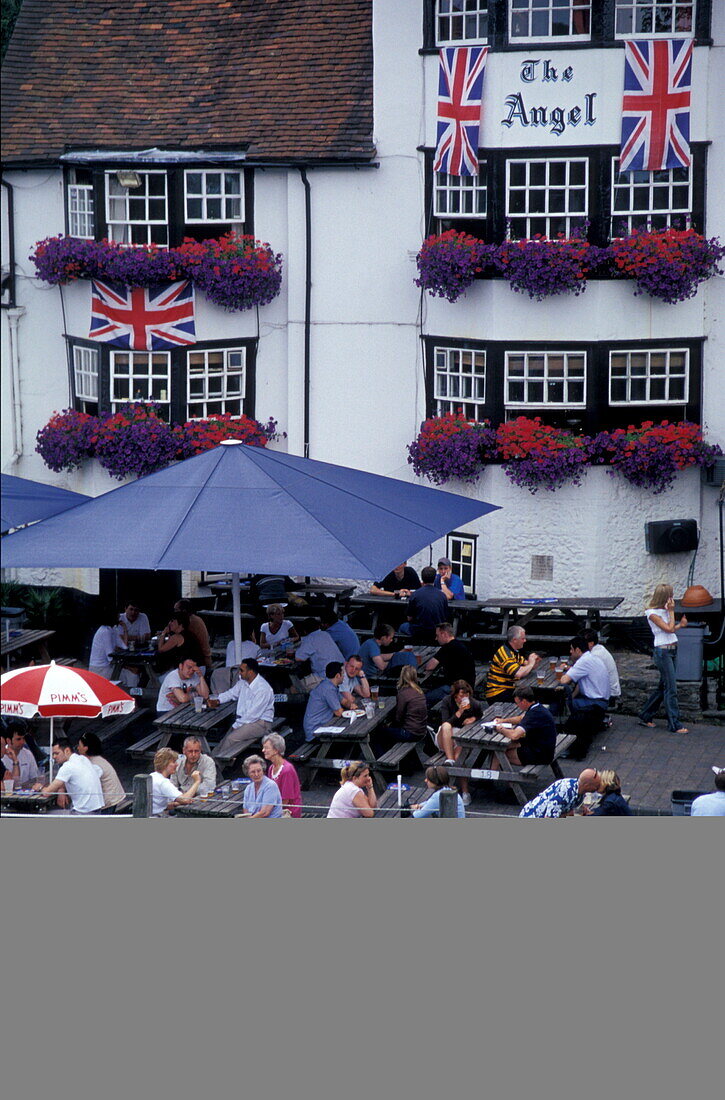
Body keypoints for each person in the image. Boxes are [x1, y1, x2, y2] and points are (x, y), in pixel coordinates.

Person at [638, 583, 689, 734]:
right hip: (663, 652)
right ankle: (674, 724)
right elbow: (667, 628)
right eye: (670, 595)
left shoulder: (665, 610)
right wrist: (672, 612)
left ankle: (645, 714)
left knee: (664, 687)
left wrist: (681, 625)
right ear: (664, 597)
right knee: (671, 688)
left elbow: (672, 629)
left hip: (672, 650)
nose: (672, 598)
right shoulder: (652, 613)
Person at [209, 657, 275, 762]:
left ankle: (216, 767)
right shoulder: (243, 682)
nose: (239, 673)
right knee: (224, 740)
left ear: (251, 672)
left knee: (231, 739)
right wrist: (218, 700)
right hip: (245, 721)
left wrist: (236, 726)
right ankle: (209, 762)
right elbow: (231, 693)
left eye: (242, 670)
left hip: (260, 724)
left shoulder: (263, 689)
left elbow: (253, 715)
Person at [434, 679, 483, 805]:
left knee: (460, 760)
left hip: (461, 738)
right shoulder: (447, 702)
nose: (464, 698)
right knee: (446, 726)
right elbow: (446, 722)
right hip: (445, 736)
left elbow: (480, 714)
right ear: (455, 694)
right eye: (461, 695)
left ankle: (465, 793)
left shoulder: (474, 704)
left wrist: (473, 718)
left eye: (466, 695)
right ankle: (449, 759)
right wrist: (460, 712)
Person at [33, 739, 104, 814]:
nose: (54, 757)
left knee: (43, 813)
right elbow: (99, 772)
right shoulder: (83, 759)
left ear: (67, 750)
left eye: (56, 753)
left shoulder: (68, 766)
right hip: (97, 810)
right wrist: (61, 789)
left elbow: (47, 792)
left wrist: (40, 787)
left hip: (82, 812)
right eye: (53, 754)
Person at [493, 686, 556, 767]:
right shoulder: (537, 707)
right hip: (542, 748)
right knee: (503, 746)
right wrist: (503, 720)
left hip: (540, 755)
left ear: (524, 701)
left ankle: (490, 778)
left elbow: (514, 735)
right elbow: (520, 718)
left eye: (517, 703)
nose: (517, 706)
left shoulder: (534, 714)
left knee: (498, 753)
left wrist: (500, 729)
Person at [424, 622, 476, 706]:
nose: (436, 639)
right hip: (468, 686)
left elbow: (430, 666)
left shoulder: (447, 648)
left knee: (422, 700)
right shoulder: (459, 645)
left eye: (437, 635)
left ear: (444, 634)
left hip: (456, 689)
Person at [560, 636, 611, 722]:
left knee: (561, 704)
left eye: (572, 649)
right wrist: (572, 697)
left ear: (578, 650)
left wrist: (562, 672)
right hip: (602, 700)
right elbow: (581, 684)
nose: (570, 652)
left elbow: (564, 680)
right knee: (568, 700)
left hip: (595, 703)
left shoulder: (583, 661)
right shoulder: (591, 657)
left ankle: (560, 727)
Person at [485, 626, 541, 703]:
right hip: (498, 693)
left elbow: (526, 666)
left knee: (535, 695)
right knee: (532, 697)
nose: (525, 641)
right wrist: (531, 663)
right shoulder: (505, 653)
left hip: (509, 689)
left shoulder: (514, 651)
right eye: (523, 638)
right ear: (514, 640)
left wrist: (535, 661)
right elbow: (518, 673)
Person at [519, 768, 601, 818]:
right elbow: (550, 818)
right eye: (596, 786)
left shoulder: (577, 787)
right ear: (587, 786)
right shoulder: (563, 795)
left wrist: (581, 809)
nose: (598, 789)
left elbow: (573, 806)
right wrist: (571, 814)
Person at [76, 730, 126, 809]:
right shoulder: (96, 759)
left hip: (108, 802)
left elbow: (86, 784)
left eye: (79, 745)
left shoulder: (95, 765)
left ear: (86, 748)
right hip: (114, 797)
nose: (77, 748)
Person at [294, 617, 344, 690]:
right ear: (318, 626)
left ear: (305, 631)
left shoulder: (309, 638)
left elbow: (298, 658)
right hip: (342, 672)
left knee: (295, 687)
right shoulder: (325, 634)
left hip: (325, 676)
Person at [303, 662, 348, 741]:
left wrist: (351, 705)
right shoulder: (328, 689)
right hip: (315, 732)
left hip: (322, 726)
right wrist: (352, 712)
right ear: (337, 675)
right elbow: (339, 713)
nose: (344, 676)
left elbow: (344, 701)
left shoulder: (330, 685)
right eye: (343, 674)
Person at [404, 565, 449, 644]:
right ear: (435, 578)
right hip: (436, 631)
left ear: (422, 578)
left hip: (418, 631)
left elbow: (409, 618)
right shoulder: (442, 595)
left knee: (402, 627)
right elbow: (445, 616)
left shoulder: (415, 595)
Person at [150, 747, 201, 816]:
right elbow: (185, 799)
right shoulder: (163, 782)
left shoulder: (152, 776)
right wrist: (197, 781)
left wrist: (177, 803)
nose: (177, 764)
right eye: (174, 762)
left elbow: (159, 804)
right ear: (165, 764)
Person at [262, 731, 302, 818]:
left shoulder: (287, 770)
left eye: (266, 748)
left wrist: (266, 811)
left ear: (276, 750)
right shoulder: (271, 768)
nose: (263, 750)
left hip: (288, 813)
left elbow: (285, 800)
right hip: (276, 808)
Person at [582, 629, 621, 703]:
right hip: (609, 691)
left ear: (591, 643)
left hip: (609, 695)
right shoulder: (600, 648)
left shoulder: (595, 655)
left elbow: (583, 672)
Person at [392, 665, 428, 741]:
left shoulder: (403, 693)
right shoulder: (419, 691)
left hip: (410, 733)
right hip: (422, 731)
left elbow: (399, 717)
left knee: (379, 732)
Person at [174, 598, 212, 672]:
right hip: (202, 659)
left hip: (200, 662)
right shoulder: (195, 619)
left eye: (176, 610)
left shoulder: (190, 623)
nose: (174, 613)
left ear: (183, 611)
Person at [88, 607, 125, 679]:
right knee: (125, 675)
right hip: (100, 669)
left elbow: (121, 644)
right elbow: (110, 655)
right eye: (117, 615)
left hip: (106, 666)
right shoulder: (105, 631)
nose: (119, 616)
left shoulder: (113, 629)